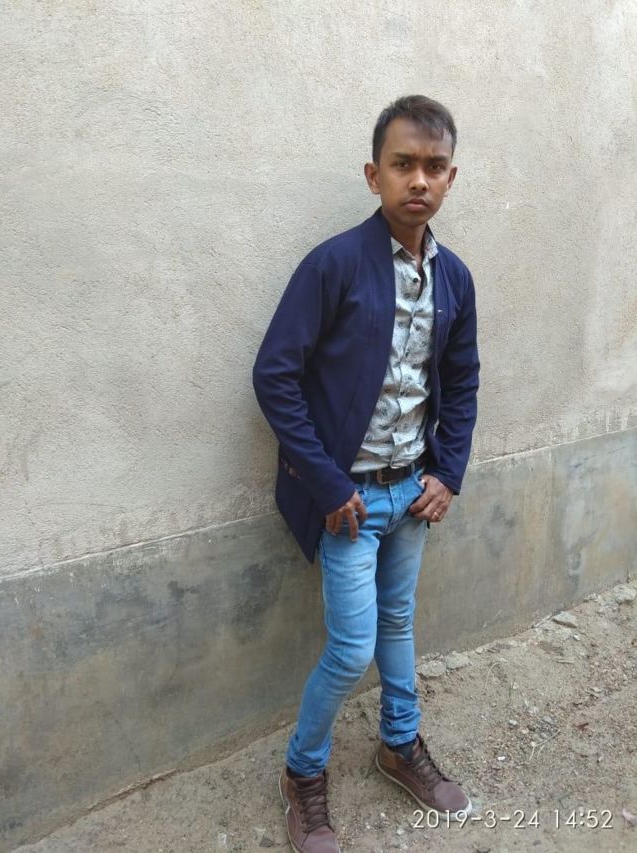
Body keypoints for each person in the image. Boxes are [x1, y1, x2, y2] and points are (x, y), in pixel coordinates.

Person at [252, 94, 480, 853]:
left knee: (399, 622)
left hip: (412, 492)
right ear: (372, 174)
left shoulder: (454, 279)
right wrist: (326, 483)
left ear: (450, 178)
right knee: (352, 648)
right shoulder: (335, 264)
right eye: (402, 164)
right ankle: (302, 772)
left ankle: (399, 744)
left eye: (434, 166)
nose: (418, 179)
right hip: (346, 500)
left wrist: (448, 471)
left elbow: (462, 380)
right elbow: (275, 375)